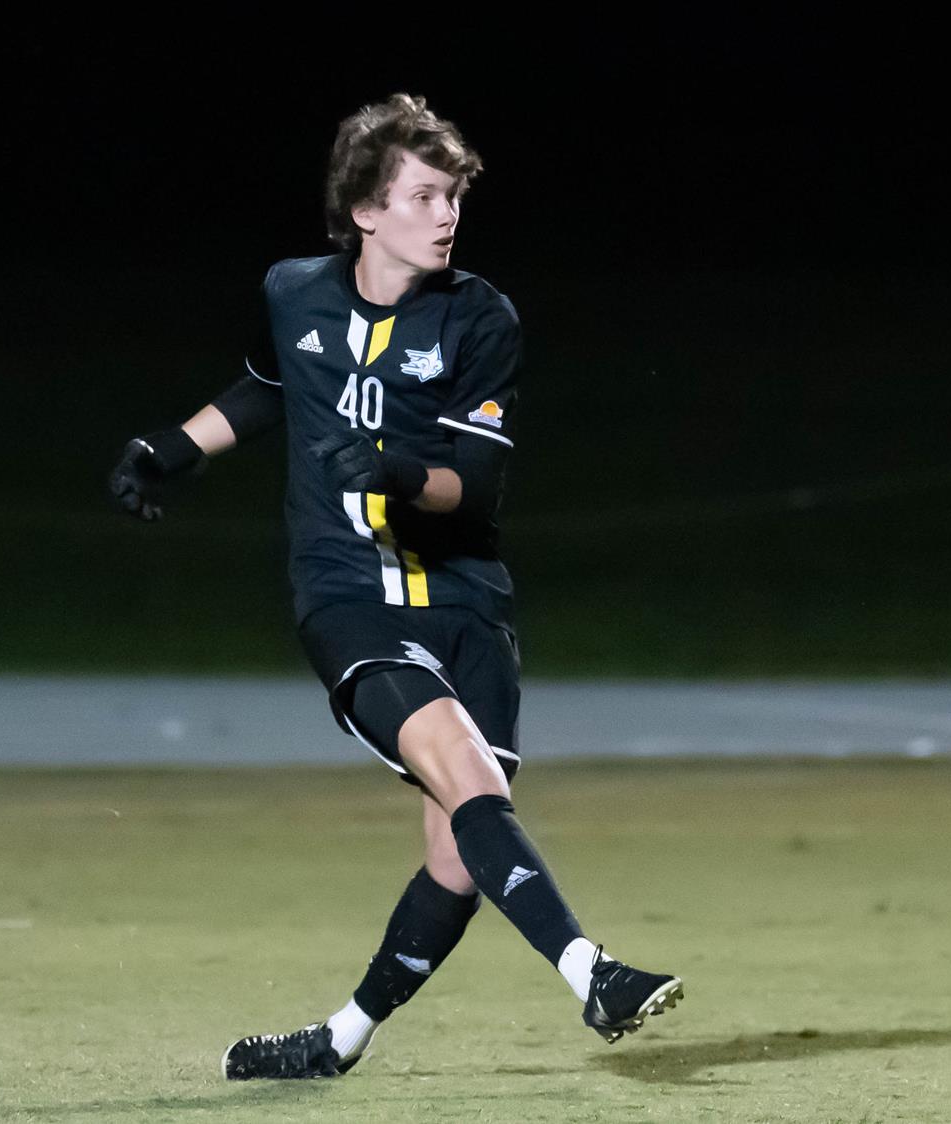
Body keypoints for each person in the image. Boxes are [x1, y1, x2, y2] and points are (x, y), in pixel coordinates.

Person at [108, 93, 683, 1080]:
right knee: (469, 778)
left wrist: (401, 472)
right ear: (366, 211)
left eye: (453, 194)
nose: (446, 213)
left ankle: (338, 1038)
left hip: (463, 599)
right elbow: (269, 381)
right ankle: (592, 968)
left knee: (462, 853)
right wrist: (171, 447)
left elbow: (474, 485)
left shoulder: (481, 316)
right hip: (349, 600)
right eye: (423, 194)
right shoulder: (296, 290)